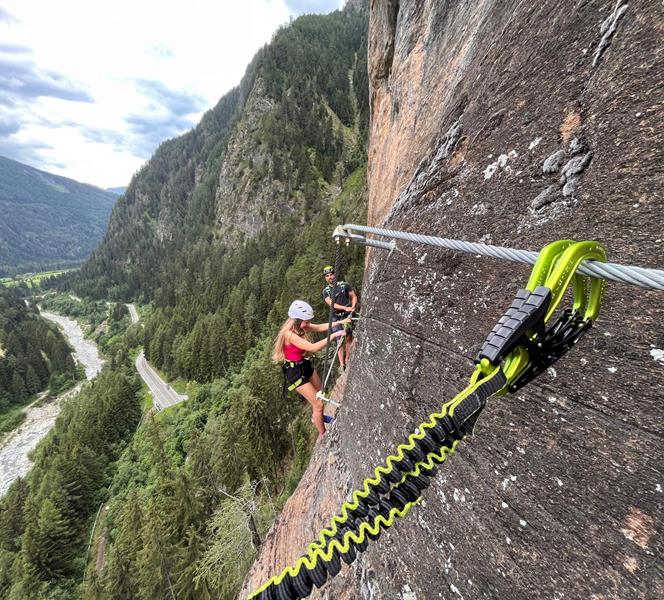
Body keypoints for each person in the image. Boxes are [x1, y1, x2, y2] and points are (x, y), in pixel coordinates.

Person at [272, 300, 348, 436]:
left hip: (304, 365)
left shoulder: (300, 326)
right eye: (306, 322)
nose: (307, 324)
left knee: (321, 394)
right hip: (295, 373)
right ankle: (324, 434)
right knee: (318, 404)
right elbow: (313, 348)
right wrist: (333, 336)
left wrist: (338, 323)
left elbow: (319, 327)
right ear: (296, 320)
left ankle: (317, 416)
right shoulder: (289, 335)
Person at [322, 265, 357, 371]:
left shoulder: (344, 285)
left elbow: (354, 296)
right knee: (339, 340)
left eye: (331, 274)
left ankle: (347, 359)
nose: (329, 277)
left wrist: (353, 307)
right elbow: (331, 304)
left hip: (347, 316)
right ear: (325, 278)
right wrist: (345, 308)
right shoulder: (326, 291)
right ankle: (342, 364)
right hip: (336, 318)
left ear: (335, 275)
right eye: (327, 276)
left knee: (348, 338)